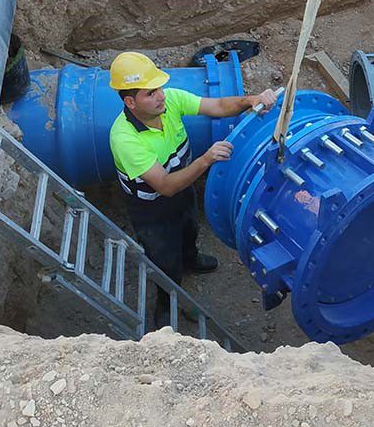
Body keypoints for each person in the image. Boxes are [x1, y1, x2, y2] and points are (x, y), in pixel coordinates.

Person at [107, 51, 277, 329]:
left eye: (159, 88)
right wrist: (206, 159)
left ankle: (191, 258)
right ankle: (166, 303)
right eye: (150, 93)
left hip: (183, 190)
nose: (160, 96)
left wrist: (251, 100)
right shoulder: (125, 139)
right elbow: (165, 186)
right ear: (130, 102)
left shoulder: (170, 101)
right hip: (152, 210)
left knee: (189, 228)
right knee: (164, 259)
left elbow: (218, 105)